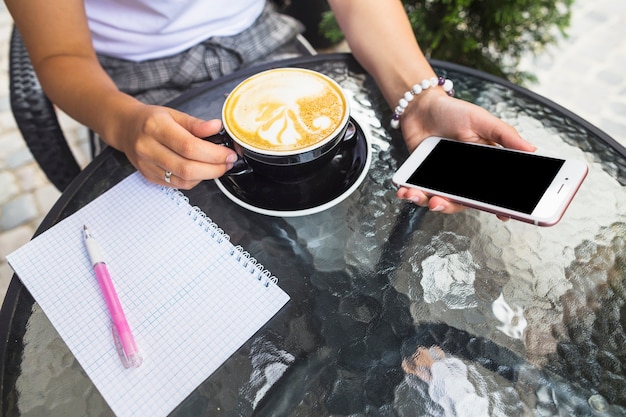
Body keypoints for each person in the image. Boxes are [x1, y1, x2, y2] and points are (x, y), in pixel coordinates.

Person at [6, 0, 535, 215]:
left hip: (261, 39)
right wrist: (121, 121)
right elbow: (59, 54)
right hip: (129, 78)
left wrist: (420, 98)